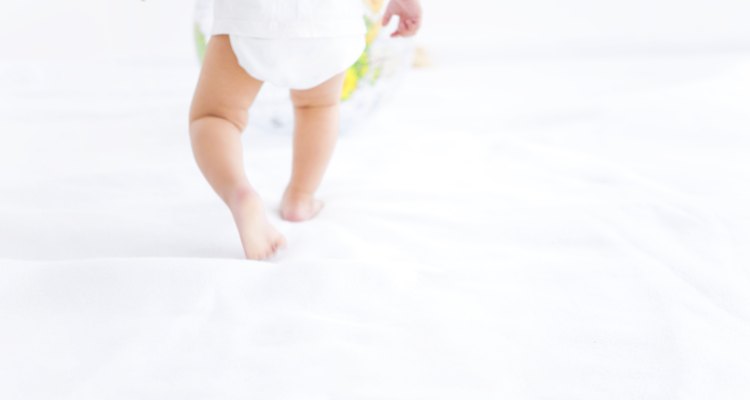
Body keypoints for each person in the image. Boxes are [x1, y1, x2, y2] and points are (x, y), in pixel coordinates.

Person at [188, 0, 422, 260]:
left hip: (252, 17)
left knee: (216, 116)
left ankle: (239, 193)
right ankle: (300, 198)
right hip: (331, 22)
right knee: (317, 107)